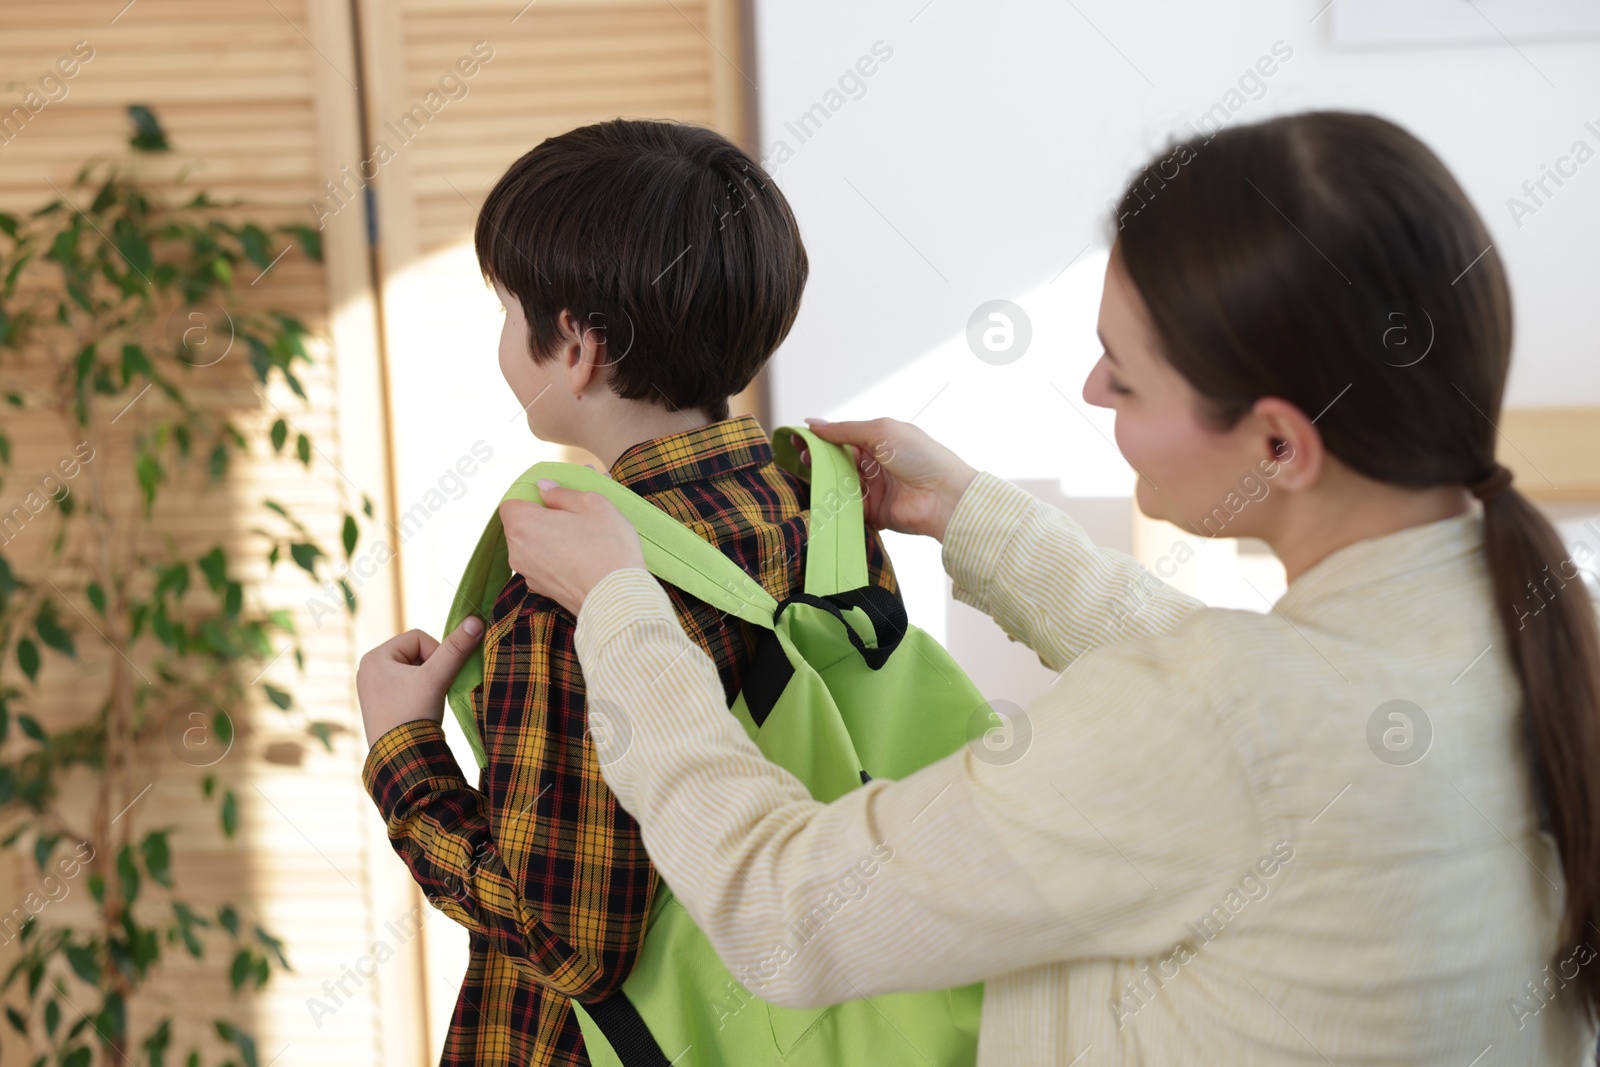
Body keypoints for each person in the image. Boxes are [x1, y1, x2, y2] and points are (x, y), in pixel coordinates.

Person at [362, 111, 1600, 1062]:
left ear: (1275, 442)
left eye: (1120, 373)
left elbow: (786, 910)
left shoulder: (570, 586)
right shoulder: (1509, 625)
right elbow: (1216, 678)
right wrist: (972, 516)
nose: (1087, 396)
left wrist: (592, 635)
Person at [354, 119, 898, 1067]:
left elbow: (571, 944)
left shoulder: (568, 594)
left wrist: (404, 751)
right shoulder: (819, 508)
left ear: (574, 346)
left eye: (506, 309)